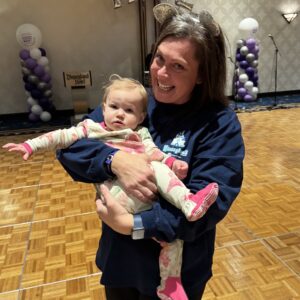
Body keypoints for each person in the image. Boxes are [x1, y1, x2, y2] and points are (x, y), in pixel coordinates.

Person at [56, 6, 245, 300]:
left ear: (202, 75)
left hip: (176, 275)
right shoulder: (135, 102)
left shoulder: (219, 123)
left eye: (178, 66)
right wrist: (115, 161)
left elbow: (211, 201)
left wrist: (134, 225)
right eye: (159, 59)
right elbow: (71, 146)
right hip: (121, 261)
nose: (161, 73)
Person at [3, 74, 219, 300]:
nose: (119, 114)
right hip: (118, 197)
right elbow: (61, 138)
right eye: (114, 107)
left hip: (148, 203)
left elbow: (155, 152)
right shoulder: (92, 128)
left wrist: (172, 162)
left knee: (172, 242)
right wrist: (30, 145)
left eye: (128, 111)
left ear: (141, 117)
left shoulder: (141, 133)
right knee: (156, 169)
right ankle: (188, 202)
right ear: (103, 107)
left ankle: (169, 283)